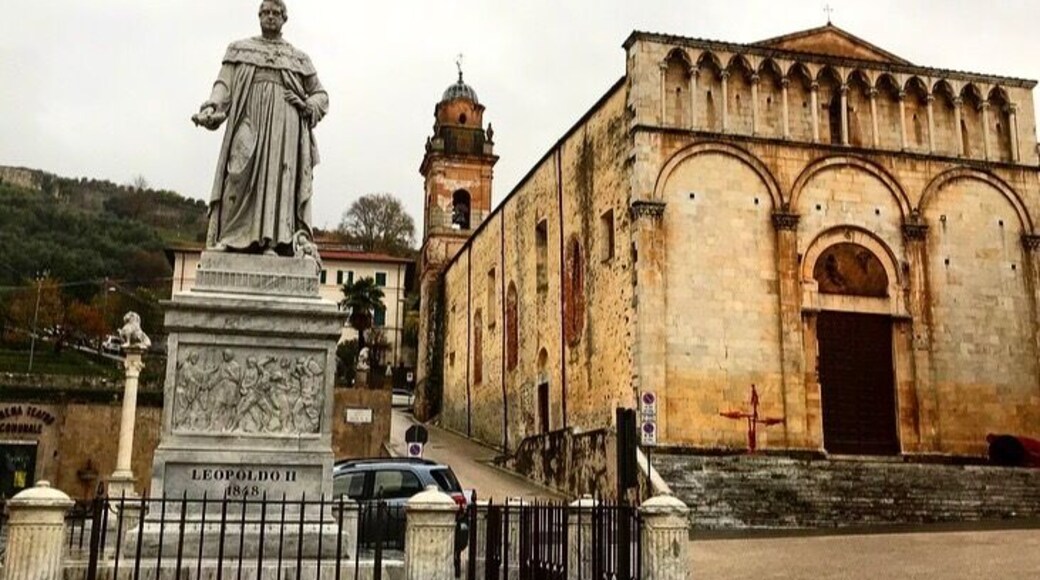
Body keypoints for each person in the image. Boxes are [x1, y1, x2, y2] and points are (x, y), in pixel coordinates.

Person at [193, 0, 328, 255]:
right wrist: (212, 106)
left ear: (284, 18)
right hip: (248, 118)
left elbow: (321, 94)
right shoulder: (240, 49)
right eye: (265, 12)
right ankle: (230, 237)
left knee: (278, 179)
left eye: (275, 13)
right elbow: (223, 83)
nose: (270, 17)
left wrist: (308, 104)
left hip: (284, 127)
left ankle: (272, 242)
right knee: (237, 172)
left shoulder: (297, 58)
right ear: (258, 16)